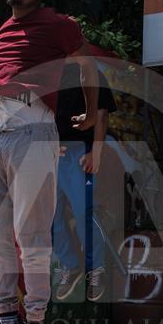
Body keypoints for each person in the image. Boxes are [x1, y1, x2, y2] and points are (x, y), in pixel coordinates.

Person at [0, 0, 98, 324]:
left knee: (30, 236)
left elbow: (87, 64)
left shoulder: (59, 23)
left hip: (33, 131)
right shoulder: (4, 29)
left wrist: (93, 111)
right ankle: (6, 320)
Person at [52, 64, 116, 303]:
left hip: (81, 152)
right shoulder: (51, 73)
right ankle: (69, 264)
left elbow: (102, 113)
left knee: (83, 213)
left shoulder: (92, 72)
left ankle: (96, 269)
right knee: (49, 214)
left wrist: (96, 153)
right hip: (51, 152)